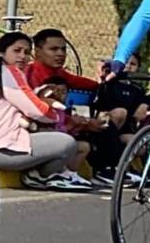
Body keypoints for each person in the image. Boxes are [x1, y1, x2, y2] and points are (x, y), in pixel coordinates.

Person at [0, 31, 88, 190]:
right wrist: (59, 116)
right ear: (2, 52)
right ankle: (41, 176)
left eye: (26, 52)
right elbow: (38, 111)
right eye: (17, 51)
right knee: (67, 143)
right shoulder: (9, 72)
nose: (23, 56)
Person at [25, 29, 109, 184]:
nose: (60, 54)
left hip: (61, 125)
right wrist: (79, 122)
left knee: (106, 122)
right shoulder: (32, 75)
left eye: (63, 49)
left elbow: (87, 84)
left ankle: (97, 170)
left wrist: (105, 80)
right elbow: (41, 111)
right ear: (37, 52)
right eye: (53, 49)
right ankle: (103, 170)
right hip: (40, 130)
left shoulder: (59, 73)